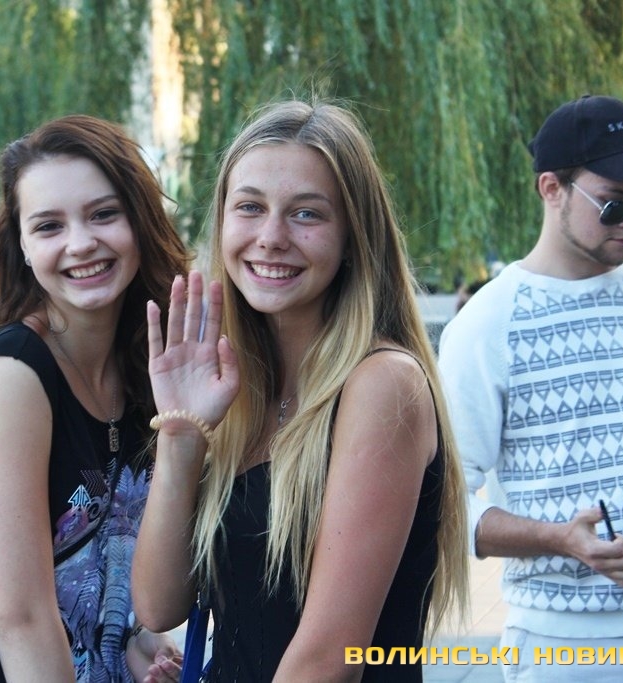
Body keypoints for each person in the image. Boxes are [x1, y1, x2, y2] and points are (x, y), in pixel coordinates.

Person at [132, 100, 469, 681]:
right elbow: (159, 606)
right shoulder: (234, 388)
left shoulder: (382, 384)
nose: (270, 237)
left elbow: (328, 660)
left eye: (306, 214)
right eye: (250, 207)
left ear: (353, 237)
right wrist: (183, 432)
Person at [438, 94, 623, 681]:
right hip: (566, 645)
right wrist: (559, 538)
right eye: (614, 205)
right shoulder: (486, 325)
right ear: (551, 188)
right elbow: (443, 503)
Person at [0, 114, 188, 682]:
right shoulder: (15, 373)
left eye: (103, 214)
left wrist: (142, 644)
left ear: (141, 220)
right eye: (49, 226)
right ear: (23, 247)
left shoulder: (149, 361)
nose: (80, 243)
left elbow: (124, 567)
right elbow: (22, 617)